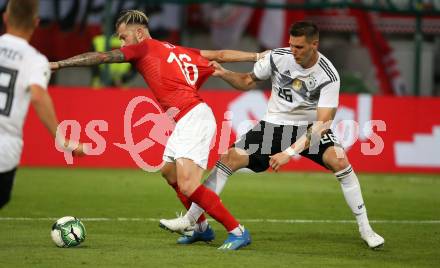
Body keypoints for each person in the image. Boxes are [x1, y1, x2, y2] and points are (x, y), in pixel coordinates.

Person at [50, 9, 265, 250]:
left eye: (123, 37)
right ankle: (202, 229)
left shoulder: (143, 48)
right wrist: (257, 55)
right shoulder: (177, 50)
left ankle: (237, 231)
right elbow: (221, 55)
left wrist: (60, 64)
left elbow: (101, 57)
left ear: (139, 33)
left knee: (187, 184)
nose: (122, 43)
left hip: (193, 116)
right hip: (187, 118)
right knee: (169, 172)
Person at [161, 21, 385, 249]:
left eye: (299, 47)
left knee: (339, 160)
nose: (293, 51)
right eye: (291, 45)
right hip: (272, 126)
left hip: (309, 128)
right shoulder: (278, 57)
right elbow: (247, 81)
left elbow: (322, 124)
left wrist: (288, 153)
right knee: (229, 158)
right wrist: (225, 73)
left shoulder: (328, 75)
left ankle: (366, 229)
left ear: (314, 44)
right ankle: (191, 220)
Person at [0, 0, 85, 209]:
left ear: (5, 18)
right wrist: (62, 139)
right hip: (4, 146)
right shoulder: (35, 60)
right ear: (36, 22)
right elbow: (38, 96)